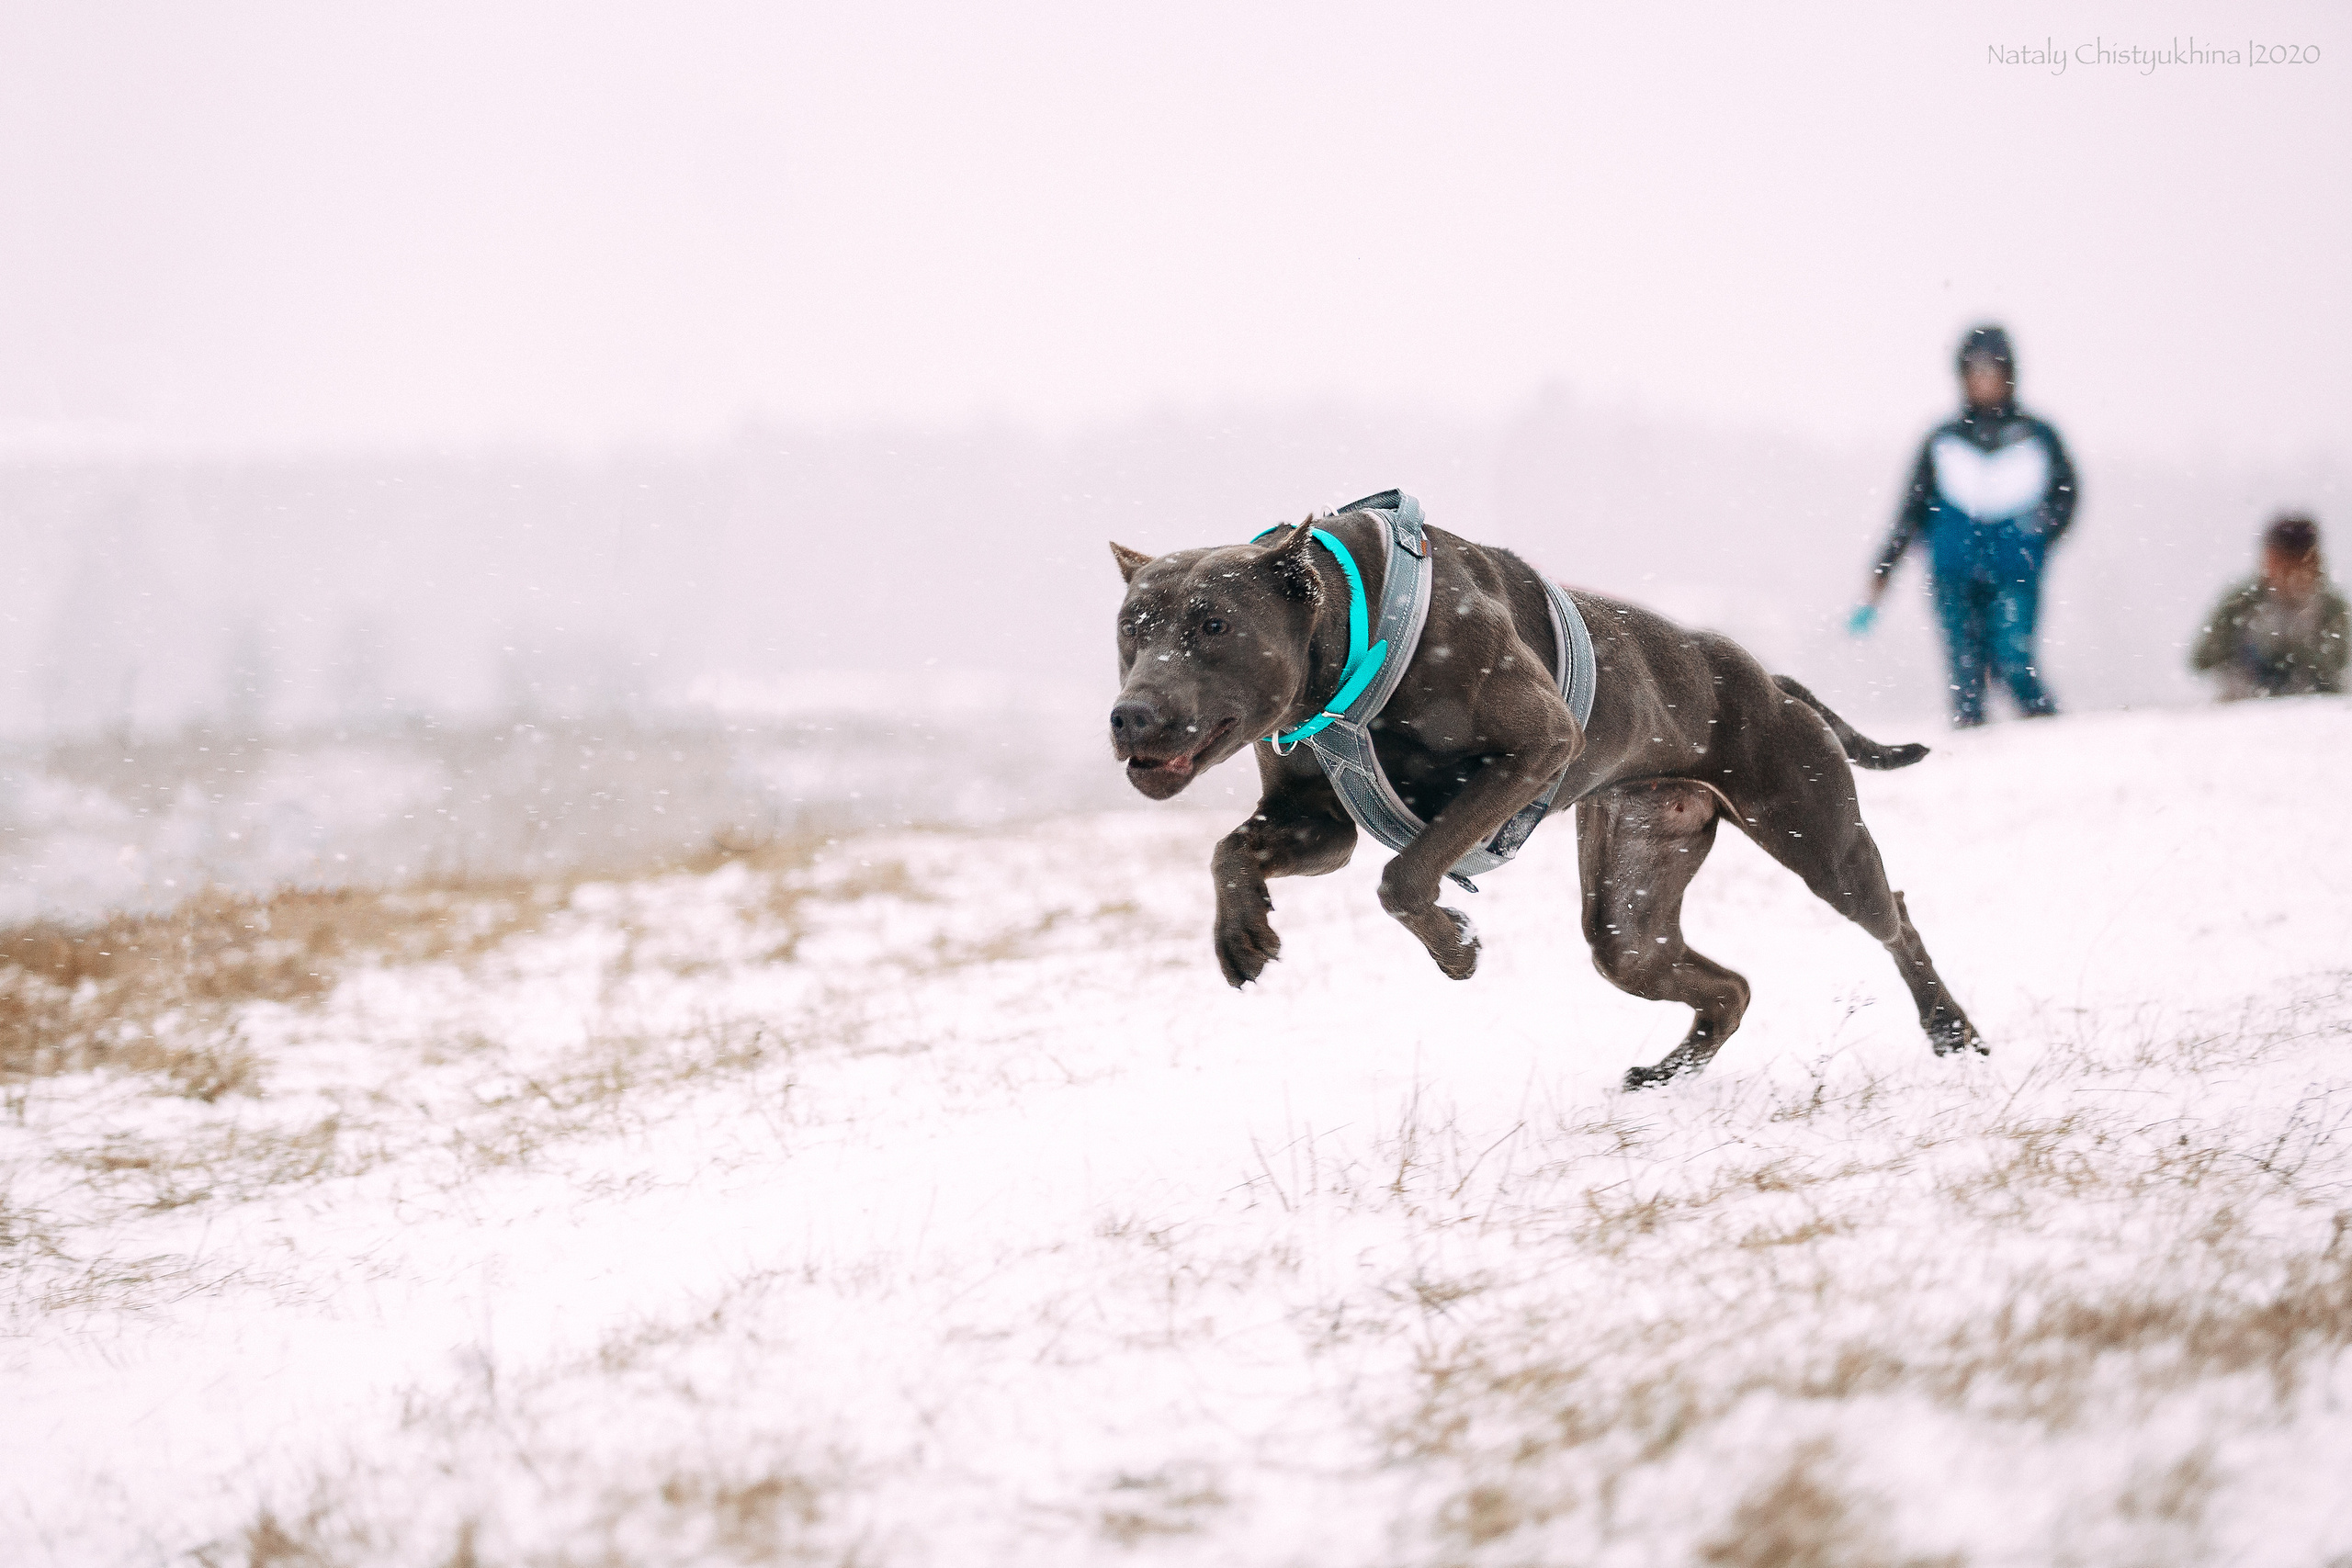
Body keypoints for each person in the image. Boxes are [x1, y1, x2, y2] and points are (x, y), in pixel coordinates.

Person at [1849, 324, 2077, 727]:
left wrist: (2038, 536)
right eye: (1976, 371)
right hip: (1953, 575)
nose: (1984, 380)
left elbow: (2066, 497)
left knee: (2013, 660)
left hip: (2015, 573)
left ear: (2009, 374)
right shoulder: (1943, 440)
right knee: (1965, 677)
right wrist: (1882, 573)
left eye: (1992, 370)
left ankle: (2052, 733)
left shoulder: (2037, 436)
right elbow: (1911, 512)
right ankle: (1974, 748)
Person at [2190, 514, 2348, 699]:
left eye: (2297, 562)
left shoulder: (2330, 609)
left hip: (2313, 706)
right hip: (2245, 706)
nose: (2290, 571)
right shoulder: (2241, 603)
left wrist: (2297, 642)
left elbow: (2338, 664)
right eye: (2282, 561)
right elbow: (2201, 660)